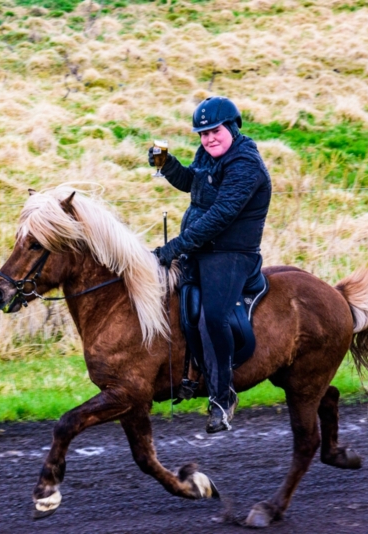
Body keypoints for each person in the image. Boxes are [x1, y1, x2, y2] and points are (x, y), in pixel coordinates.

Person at [149, 96, 272, 433]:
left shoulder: (246, 165)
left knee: (213, 317)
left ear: (232, 127)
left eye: (215, 131)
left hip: (232, 254)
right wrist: (167, 164)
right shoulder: (208, 154)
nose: (208, 139)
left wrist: (174, 247)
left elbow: (219, 216)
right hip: (199, 248)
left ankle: (222, 397)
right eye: (203, 134)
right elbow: (193, 182)